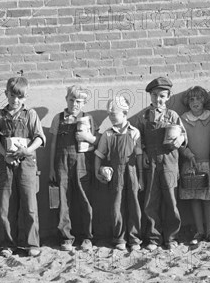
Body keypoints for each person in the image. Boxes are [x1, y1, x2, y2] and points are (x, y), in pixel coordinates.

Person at [0, 76, 45, 257]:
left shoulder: (30, 114)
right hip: (7, 164)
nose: (15, 100)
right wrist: (5, 155)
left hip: (27, 163)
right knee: (6, 205)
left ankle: (31, 243)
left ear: (25, 98)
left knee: (29, 204)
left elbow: (40, 137)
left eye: (20, 97)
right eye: (12, 96)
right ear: (6, 94)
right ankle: (8, 243)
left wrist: (27, 150)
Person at [135, 77, 186, 250]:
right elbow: (138, 137)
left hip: (169, 161)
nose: (159, 99)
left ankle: (171, 237)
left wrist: (180, 139)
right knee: (151, 200)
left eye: (162, 96)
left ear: (168, 97)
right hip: (152, 162)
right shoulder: (144, 116)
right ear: (150, 96)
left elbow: (184, 136)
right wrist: (143, 153)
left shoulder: (173, 115)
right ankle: (153, 238)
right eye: (155, 95)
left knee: (171, 199)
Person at [48, 85, 97, 252]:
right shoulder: (58, 118)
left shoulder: (88, 118)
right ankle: (66, 237)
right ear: (66, 99)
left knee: (85, 198)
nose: (74, 104)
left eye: (79, 101)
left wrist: (86, 137)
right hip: (61, 163)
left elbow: (96, 141)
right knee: (63, 199)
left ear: (83, 103)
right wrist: (51, 168)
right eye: (71, 100)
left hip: (82, 162)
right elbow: (53, 144)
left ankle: (87, 237)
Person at [95, 97, 144, 252]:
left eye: (113, 113)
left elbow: (140, 156)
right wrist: (98, 171)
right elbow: (99, 154)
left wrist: (141, 176)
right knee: (116, 205)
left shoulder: (134, 132)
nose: (110, 116)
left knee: (134, 205)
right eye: (108, 114)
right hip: (116, 173)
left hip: (132, 171)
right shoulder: (108, 135)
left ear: (125, 113)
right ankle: (119, 238)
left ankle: (134, 238)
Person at [179, 86, 210, 244]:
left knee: (209, 199)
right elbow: (180, 142)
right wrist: (187, 153)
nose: (195, 102)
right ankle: (199, 231)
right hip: (191, 165)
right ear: (187, 102)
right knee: (195, 199)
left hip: (208, 164)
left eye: (198, 98)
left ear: (204, 100)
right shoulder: (183, 118)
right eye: (192, 99)